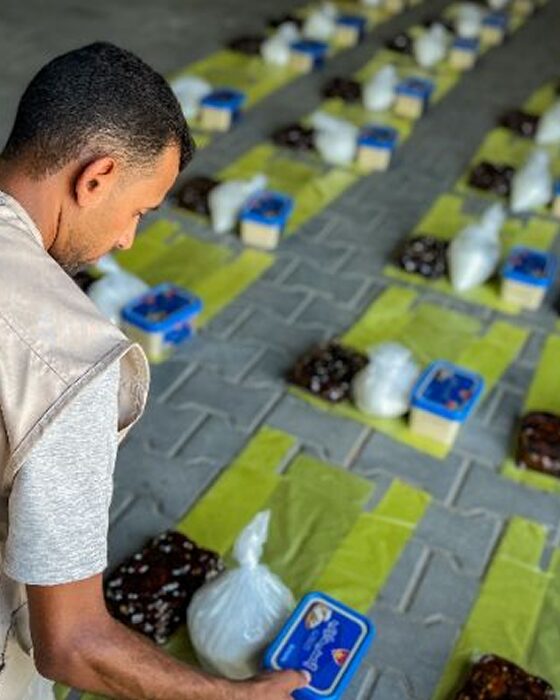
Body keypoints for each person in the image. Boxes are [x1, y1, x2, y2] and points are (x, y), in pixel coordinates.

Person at [0, 42, 307, 700]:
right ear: (96, 178)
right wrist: (233, 696)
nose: (126, 240)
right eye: (139, 211)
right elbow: (72, 644)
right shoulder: (67, 362)